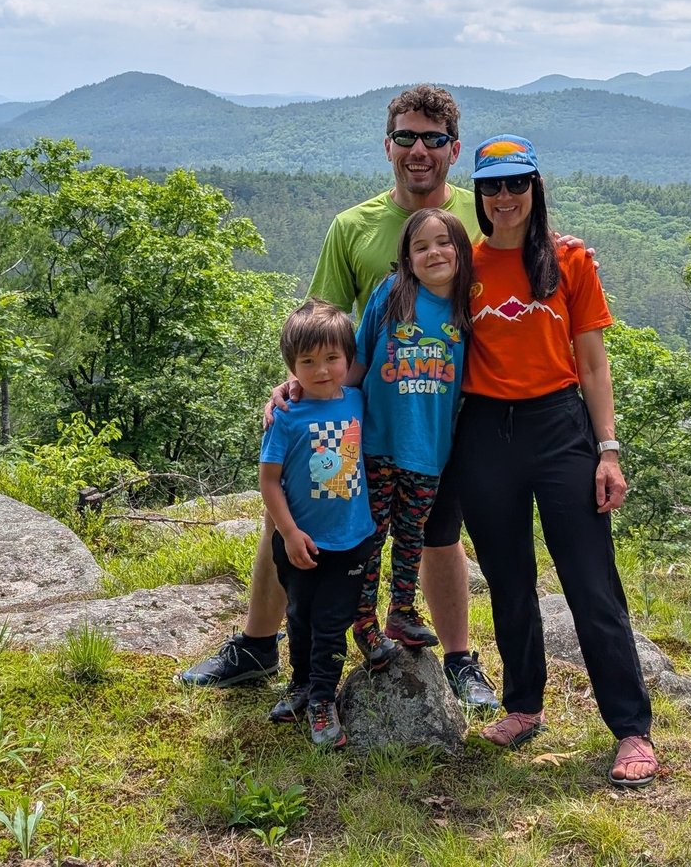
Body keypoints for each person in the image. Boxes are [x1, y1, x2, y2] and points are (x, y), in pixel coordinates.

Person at [178, 85, 501, 710]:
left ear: (453, 150)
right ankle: (257, 644)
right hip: (362, 417)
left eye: (433, 140)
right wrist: (301, 381)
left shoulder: (478, 213)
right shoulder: (353, 226)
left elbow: (524, 248)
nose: (418, 150)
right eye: (406, 137)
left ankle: (458, 660)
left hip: (446, 413)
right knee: (301, 518)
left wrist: (570, 256)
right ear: (388, 146)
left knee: (438, 531)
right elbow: (320, 316)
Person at [447, 134, 658, 788]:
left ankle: (631, 730)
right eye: (492, 186)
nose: (504, 196)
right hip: (484, 430)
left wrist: (609, 451)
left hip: (559, 425)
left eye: (516, 183)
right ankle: (524, 706)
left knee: (591, 582)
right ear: (479, 195)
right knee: (509, 580)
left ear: (535, 188)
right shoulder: (464, 264)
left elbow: (593, 363)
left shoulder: (569, 260)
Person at [343, 207, 475, 670]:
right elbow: (358, 362)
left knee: (412, 534)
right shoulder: (391, 295)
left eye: (444, 243)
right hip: (377, 444)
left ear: (462, 252)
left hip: (429, 451)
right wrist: (326, 407)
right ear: (406, 256)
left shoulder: (466, 309)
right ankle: (363, 622)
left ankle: (401, 612)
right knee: (370, 535)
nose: (433, 252)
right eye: (420, 246)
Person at [256, 299, 378, 747]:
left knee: (330, 624)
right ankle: (302, 683)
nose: (322, 370)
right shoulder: (286, 416)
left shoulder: (358, 401)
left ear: (348, 359)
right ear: (292, 366)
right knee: (299, 617)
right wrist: (288, 533)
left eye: (332, 359)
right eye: (307, 362)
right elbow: (269, 482)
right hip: (299, 542)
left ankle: (324, 700)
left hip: (351, 541)